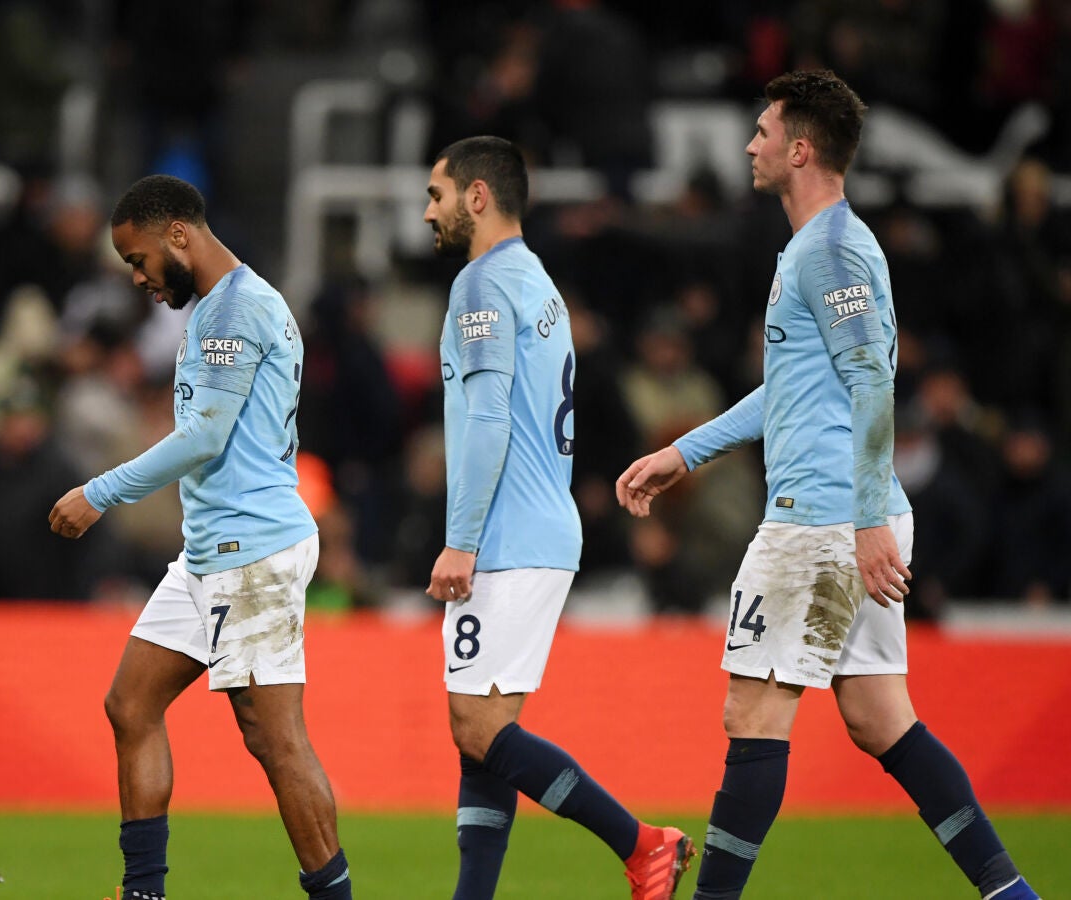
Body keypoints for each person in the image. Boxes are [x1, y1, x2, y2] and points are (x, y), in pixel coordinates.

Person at [616, 70, 1039, 900]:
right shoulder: (818, 246)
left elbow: (872, 381)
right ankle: (1010, 893)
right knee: (881, 720)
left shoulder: (833, 250)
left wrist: (868, 517)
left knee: (752, 717)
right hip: (849, 514)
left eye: (764, 132)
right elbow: (793, 389)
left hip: (824, 519)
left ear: (801, 149)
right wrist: (687, 452)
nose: (750, 145)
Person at [49, 175, 352, 900]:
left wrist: (99, 492)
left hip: (252, 550)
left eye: (139, 258)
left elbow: (204, 437)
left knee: (274, 739)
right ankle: (143, 892)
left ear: (178, 235)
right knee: (131, 705)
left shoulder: (234, 312)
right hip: (212, 549)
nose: (137, 277)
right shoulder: (228, 305)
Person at [422, 136, 695, 900]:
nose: (428, 212)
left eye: (437, 195)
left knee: (476, 728)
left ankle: (642, 844)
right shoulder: (538, 282)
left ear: (478, 196)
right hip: (541, 523)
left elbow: (488, 419)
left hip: (506, 534)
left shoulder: (480, 285)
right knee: (485, 739)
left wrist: (460, 541)